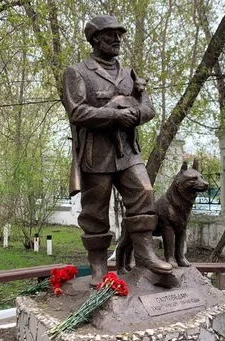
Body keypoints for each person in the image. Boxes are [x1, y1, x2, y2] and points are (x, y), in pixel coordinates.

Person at [63, 15, 172, 286]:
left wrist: (133, 114)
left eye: (119, 34)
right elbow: (76, 111)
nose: (117, 39)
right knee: (95, 211)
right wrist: (113, 114)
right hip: (96, 155)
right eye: (110, 34)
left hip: (128, 153)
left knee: (144, 193)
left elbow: (148, 108)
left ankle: (145, 254)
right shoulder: (77, 72)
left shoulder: (129, 74)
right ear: (95, 39)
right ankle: (99, 265)